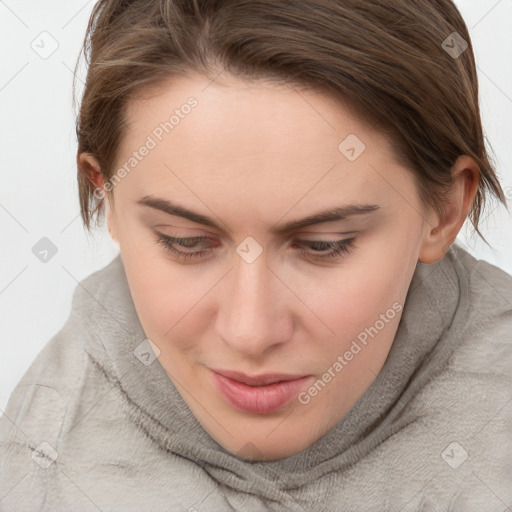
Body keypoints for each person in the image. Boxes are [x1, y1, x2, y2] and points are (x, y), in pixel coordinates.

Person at [1, 0, 511, 510]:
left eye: (323, 245)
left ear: (444, 210)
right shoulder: (40, 464)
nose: (250, 332)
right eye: (185, 241)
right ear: (107, 195)